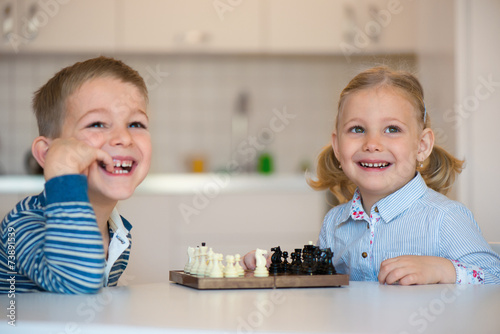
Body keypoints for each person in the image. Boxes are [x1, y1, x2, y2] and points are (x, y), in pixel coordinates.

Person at [243, 66, 500, 285]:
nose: (372, 143)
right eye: (357, 129)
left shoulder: (445, 219)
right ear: (337, 146)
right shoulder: (335, 223)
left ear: (421, 146)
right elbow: (320, 281)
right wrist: (273, 267)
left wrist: (443, 270)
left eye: (392, 129)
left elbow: (493, 276)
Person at [0, 56, 152, 293]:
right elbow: (78, 284)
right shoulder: (24, 225)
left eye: (135, 124)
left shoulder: (119, 235)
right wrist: (63, 173)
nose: (124, 137)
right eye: (98, 124)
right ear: (47, 153)